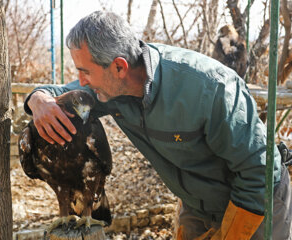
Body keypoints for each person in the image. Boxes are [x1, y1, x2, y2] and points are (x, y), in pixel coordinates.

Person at [24, 11, 292, 239]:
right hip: (197, 203)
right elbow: (57, 92)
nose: (80, 82)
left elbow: (259, 171)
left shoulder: (211, 89)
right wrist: (38, 100)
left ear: (119, 67)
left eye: (85, 72)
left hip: (257, 201)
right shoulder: (109, 89)